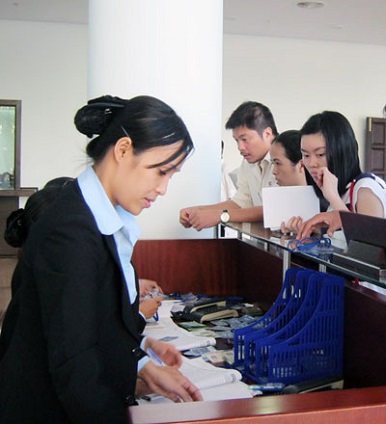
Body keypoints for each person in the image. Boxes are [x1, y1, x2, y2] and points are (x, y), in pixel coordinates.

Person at [0, 95, 202, 423]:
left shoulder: (100, 218)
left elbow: (92, 320)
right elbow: (75, 371)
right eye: (161, 172)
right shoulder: (70, 232)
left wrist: (142, 362)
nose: (163, 188)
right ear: (123, 150)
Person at [283, 111, 386, 237]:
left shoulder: (365, 188)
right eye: (305, 155)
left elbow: (368, 248)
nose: (311, 163)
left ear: (341, 151)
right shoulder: (339, 192)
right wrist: (308, 228)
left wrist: (333, 197)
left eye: (320, 154)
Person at [180, 101, 278, 231]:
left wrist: (221, 216)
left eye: (244, 139)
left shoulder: (287, 158)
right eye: (237, 140)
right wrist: (197, 210)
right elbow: (240, 203)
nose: (240, 147)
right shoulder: (247, 163)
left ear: (267, 134)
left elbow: (275, 210)